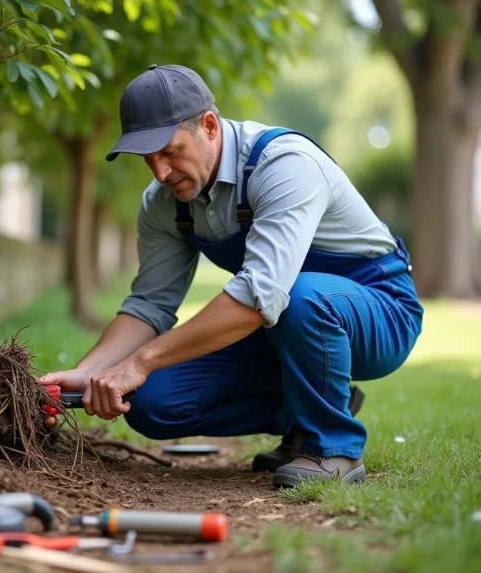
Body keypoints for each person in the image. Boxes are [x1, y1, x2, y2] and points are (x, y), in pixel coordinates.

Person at [39, 64, 424, 489]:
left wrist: (140, 360)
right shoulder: (163, 204)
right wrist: (92, 370)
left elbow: (261, 294)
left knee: (300, 297)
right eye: (148, 159)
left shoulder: (284, 165)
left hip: (380, 311)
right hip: (281, 324)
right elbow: (149, 305)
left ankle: (334, 448)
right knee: (151, 401)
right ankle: (316, 406)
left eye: (169, 151)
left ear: (208, 125)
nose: (160, 173)